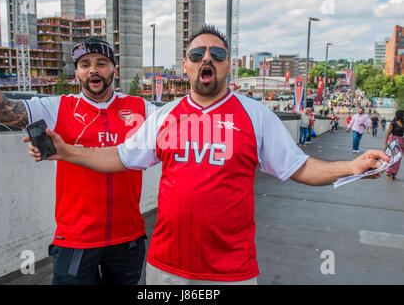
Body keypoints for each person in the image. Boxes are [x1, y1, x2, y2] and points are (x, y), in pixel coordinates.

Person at [26, 25, 388, 285]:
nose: (206, 59)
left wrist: (352, 165)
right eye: (197, 54)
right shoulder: (164, 116)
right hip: (166, 269)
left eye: (217, 53)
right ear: (186, 65)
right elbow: (118, 158)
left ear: (229, 65)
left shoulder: (255, 115)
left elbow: (302, 167)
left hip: (232, 272)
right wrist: (65, 151)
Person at [0, 37, 156, 285]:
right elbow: (2, 111)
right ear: (76, 72)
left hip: (128, 238)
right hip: (76, 240)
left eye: (102, 63)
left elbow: (182, 126)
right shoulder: (58, 106)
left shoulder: (141, 108)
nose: (93, 69)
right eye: (85, 64)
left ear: (114, 68)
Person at [384, 109, 404, 180]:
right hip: (393, 142)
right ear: (400, 115)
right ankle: (389, 173)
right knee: (392, 158)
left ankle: (394, 175)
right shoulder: (393, 123)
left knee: (398, 159)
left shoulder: (403, 123)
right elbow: (387, 134)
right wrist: (385, 145)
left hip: (401, 142)